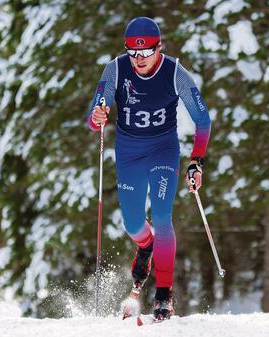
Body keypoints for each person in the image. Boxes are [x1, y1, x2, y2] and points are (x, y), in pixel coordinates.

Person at [86, 16, 211, 320]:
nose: (138, 59)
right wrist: (98, 117)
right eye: (133, 52)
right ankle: (147, 246)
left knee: (163, 216)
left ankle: (164, 294)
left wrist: (197, 160)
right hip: (129, 152)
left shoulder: (174, 72)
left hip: (162, 151)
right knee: (132, 223)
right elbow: (95, 113)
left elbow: (202, 119)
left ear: (159, 48)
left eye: (145, 52)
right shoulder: (116, 68)